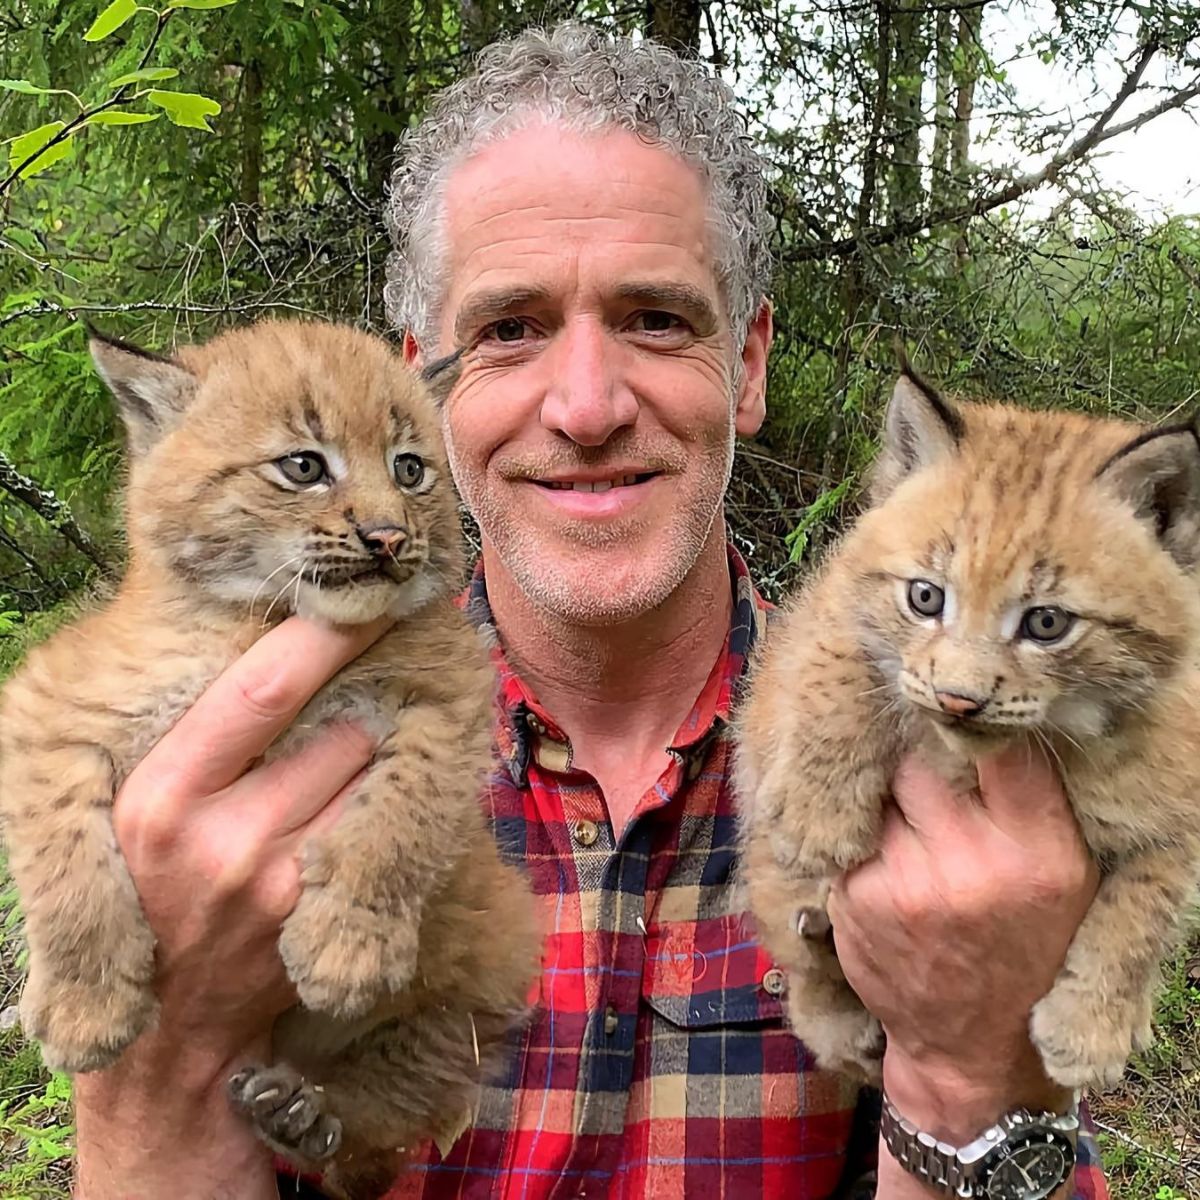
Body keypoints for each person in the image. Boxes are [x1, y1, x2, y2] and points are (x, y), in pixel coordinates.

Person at [72, 23, 1109, 1200]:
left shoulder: (939, 768)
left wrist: (975, 1080)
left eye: (656, 319)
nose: (585, 405)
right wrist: (164, 1049)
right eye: (508, 330)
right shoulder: (247, 767)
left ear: (750, 364)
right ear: (417, 389)